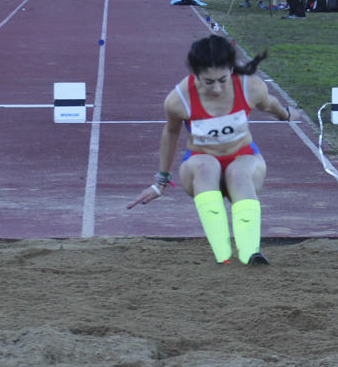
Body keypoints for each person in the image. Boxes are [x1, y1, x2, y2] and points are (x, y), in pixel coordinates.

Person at [127, 35, 297, 265]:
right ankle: (223, 256)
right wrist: (161, 182)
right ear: (195, 75)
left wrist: (286, 114)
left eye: (222, 79)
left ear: (231, 70)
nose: (216, 89)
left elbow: (269, 105)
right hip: (200, 167)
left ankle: (250, 254)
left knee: (238, 171)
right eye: (208, 82)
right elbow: (171, 133)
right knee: (208, 165)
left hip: (244, 159)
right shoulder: (178, 100)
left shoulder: (251, 86)